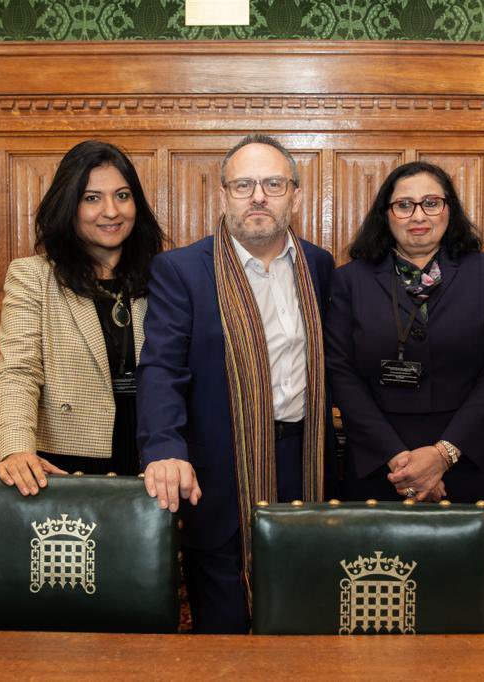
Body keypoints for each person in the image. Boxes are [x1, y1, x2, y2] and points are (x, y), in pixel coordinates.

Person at [137, 134, 336, 634]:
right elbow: (161, 368)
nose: (258, 197)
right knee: (222, 628)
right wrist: (164, 446)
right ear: (223, 194)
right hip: (222, 472)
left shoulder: (319, 265)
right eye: (243, 185)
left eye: (273, 184)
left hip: (304, 463)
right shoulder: (182, 270)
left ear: (295, 194)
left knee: (305, 615)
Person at [323, 160, 484, 627]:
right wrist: (399, 458)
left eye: (431, 203)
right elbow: (340, 371)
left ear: (449, 209)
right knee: (383, 597)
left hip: (469, 456)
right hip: (383, 463)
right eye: (404, 205)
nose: (418, 215)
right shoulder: (350, 279)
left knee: (472, 600)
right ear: (385, 213)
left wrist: (444, 453)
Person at [0, 140, 164, 494]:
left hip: (152, 450)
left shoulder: (163, 275)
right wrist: (15, 447)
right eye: (92, 198)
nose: (111, 211)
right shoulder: (33, 276)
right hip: (67, 459)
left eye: (122, 196)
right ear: (69, 206)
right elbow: (18, 371)